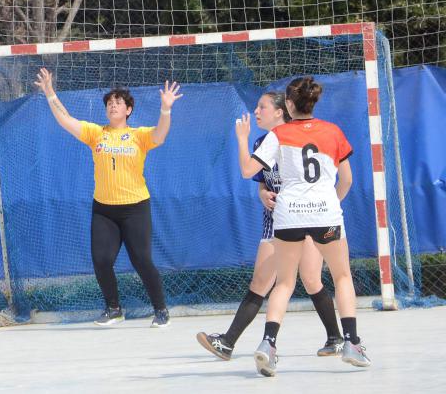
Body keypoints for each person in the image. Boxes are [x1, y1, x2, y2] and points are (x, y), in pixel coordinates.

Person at [235, 77, 370, 377]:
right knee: (342, 275)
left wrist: (242, 140)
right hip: (325, 214)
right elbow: (346, 180)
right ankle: (352, 342)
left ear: (290, 105)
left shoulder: (278, 135)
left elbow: (247, 170)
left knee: (284, 283)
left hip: (289, 216)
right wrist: (329, 205)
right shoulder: (333, 132)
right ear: (313, 103)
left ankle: (269, 344)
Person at [196, 92, 343, 360]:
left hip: (305, 216)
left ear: (280, 111)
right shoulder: (263, 141)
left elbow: (322, 178)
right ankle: (228, 342)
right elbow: (261, 180)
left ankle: (336, 338)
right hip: (275, 221)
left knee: (310, 279)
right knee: (261, 281)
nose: (256, 111)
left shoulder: (298, 137)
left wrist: (240, 140)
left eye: (262, 106)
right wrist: (262, 193)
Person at [33, 68, 182, 327]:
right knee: (101, 259)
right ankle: (114, 308)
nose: (113, 106)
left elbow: (161, 134)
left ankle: (161, 310)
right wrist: (49, 93)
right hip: (104, 209)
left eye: (118, 103)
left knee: (142, 260)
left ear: (128, 110)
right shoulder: (96, 133)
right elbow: (65, 120)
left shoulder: (139, 136)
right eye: (109, 103)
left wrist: (166, 109)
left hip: (135, 208)